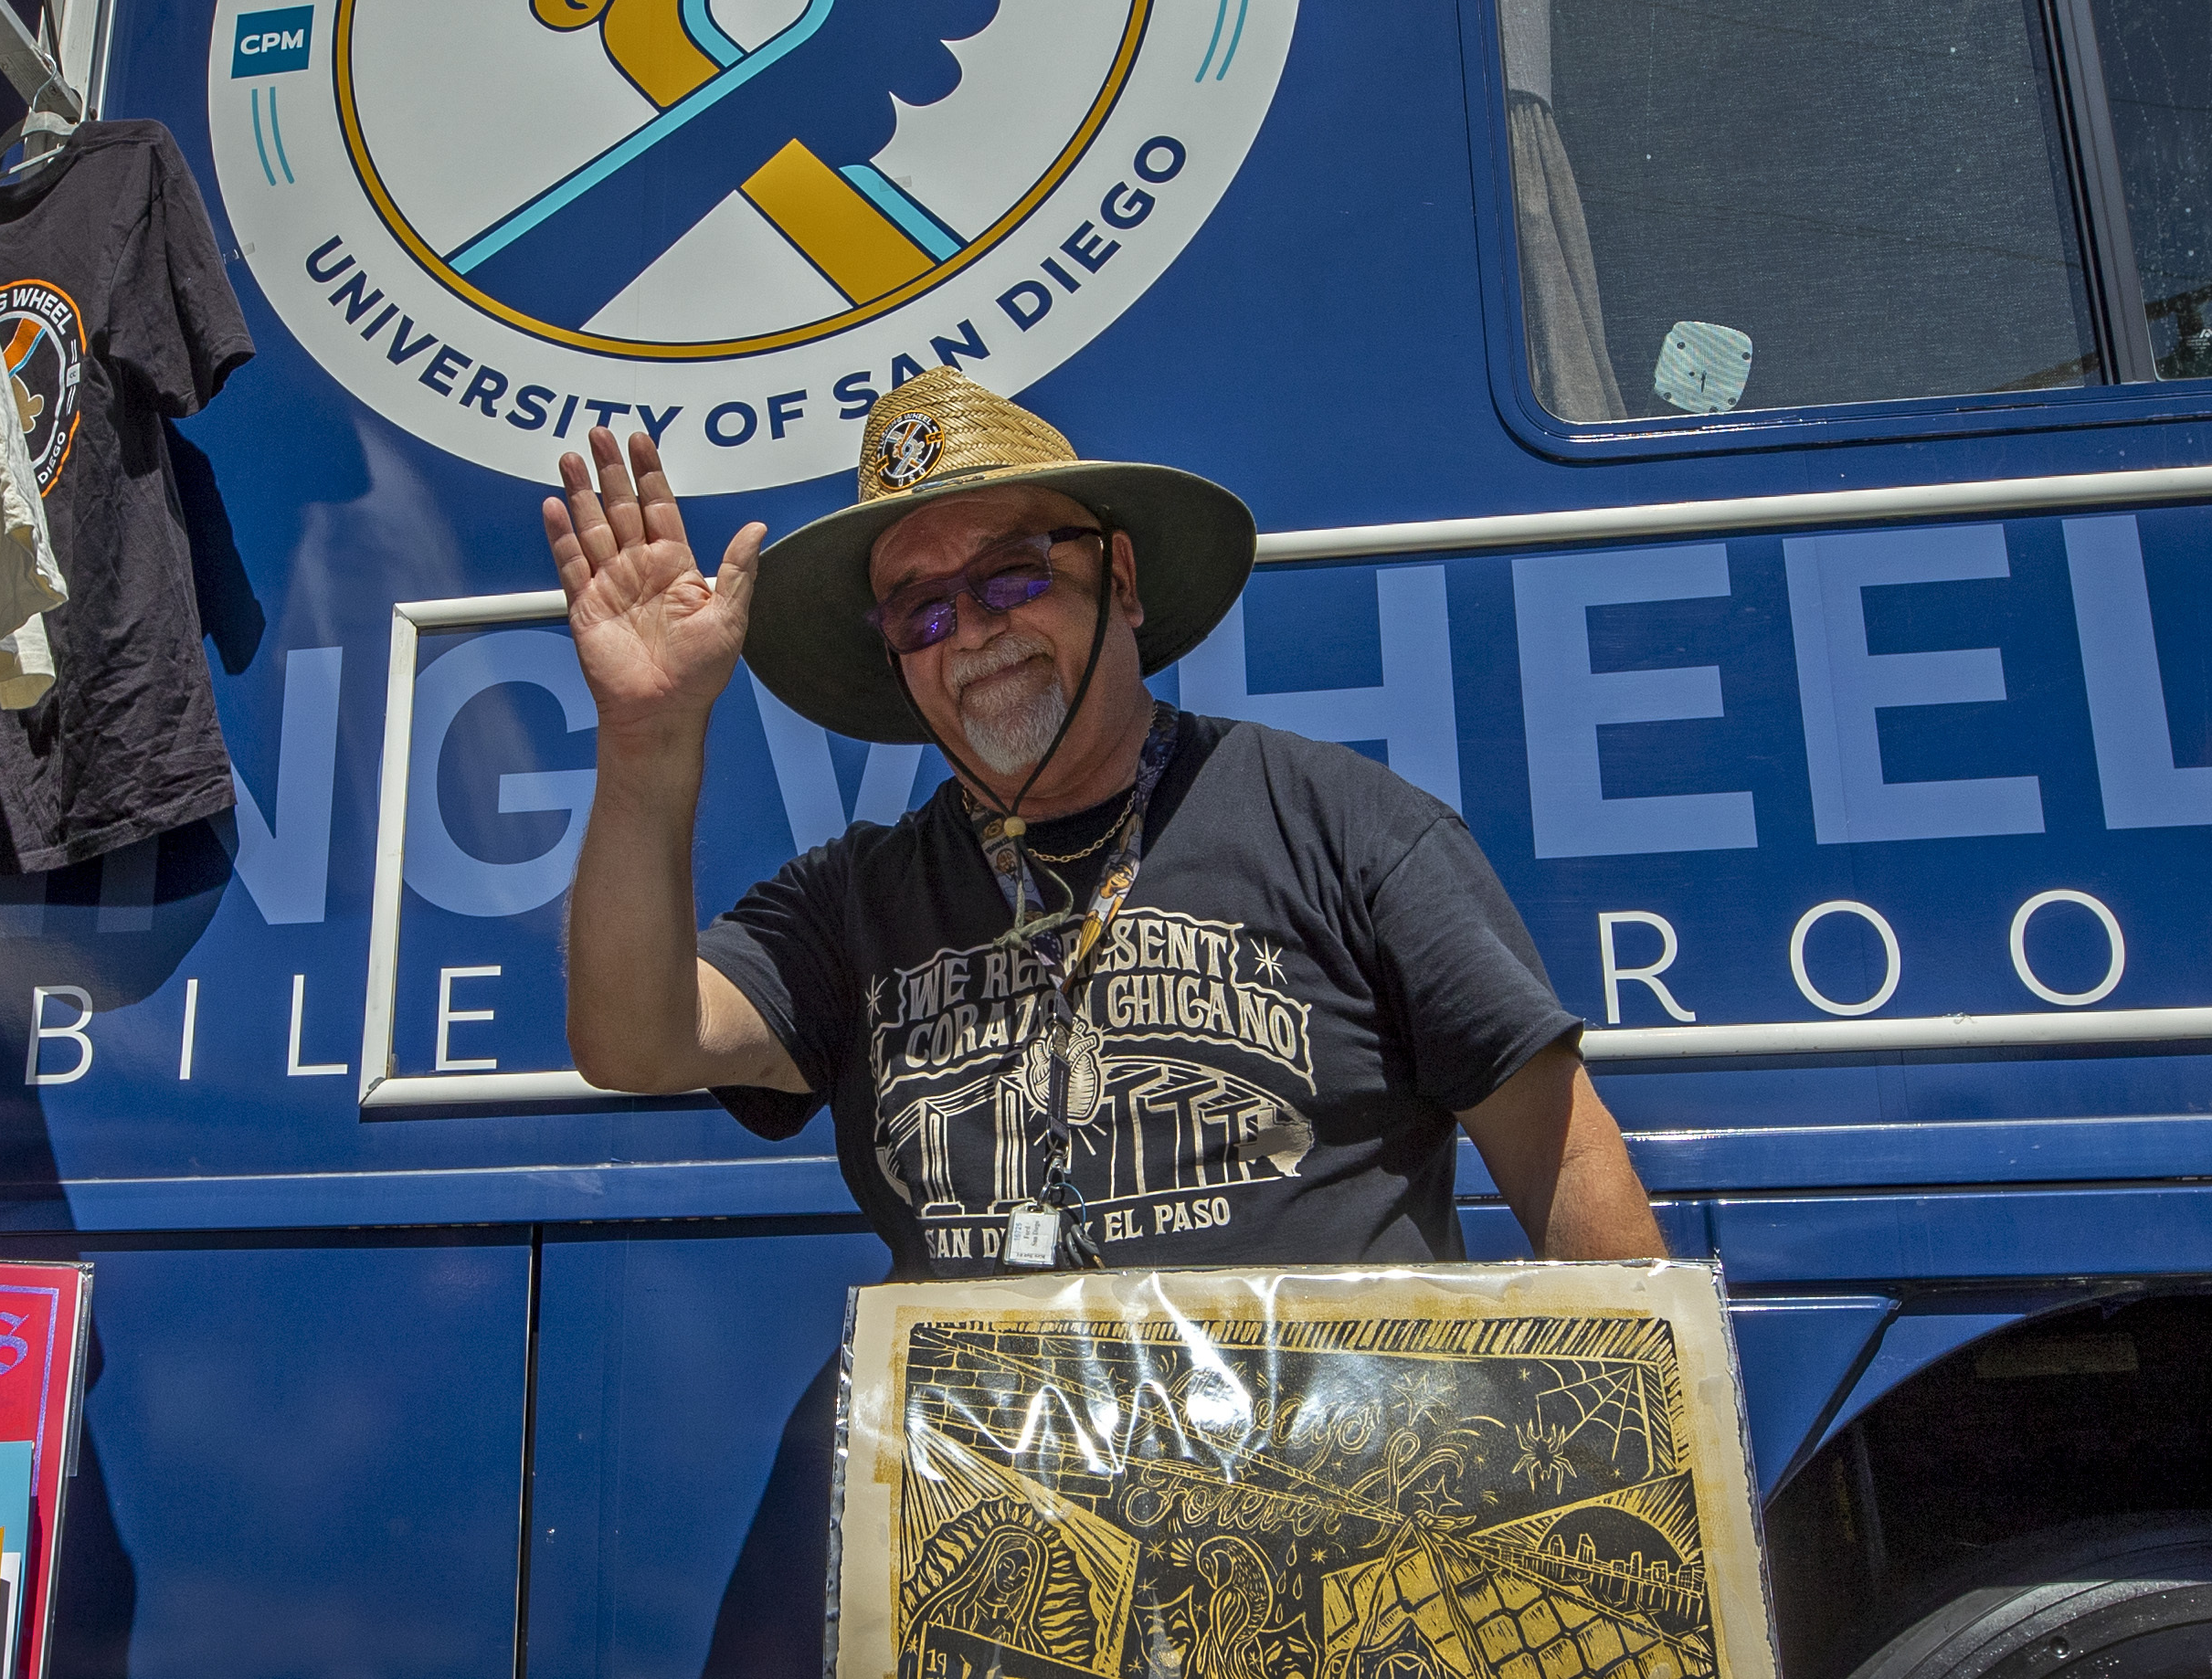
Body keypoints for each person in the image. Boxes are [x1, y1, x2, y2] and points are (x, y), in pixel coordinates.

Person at [545, 371, 1659, 1273]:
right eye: (921, 608)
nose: (970, 629)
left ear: (1118, 578)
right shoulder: (851, 903)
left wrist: (1655, 1496)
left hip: (1336, 1523)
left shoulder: (1345, 824)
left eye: (1012, 576)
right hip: (1002, 1541)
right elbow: (636, 1042)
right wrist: (648, 734)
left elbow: (1560, 1156)